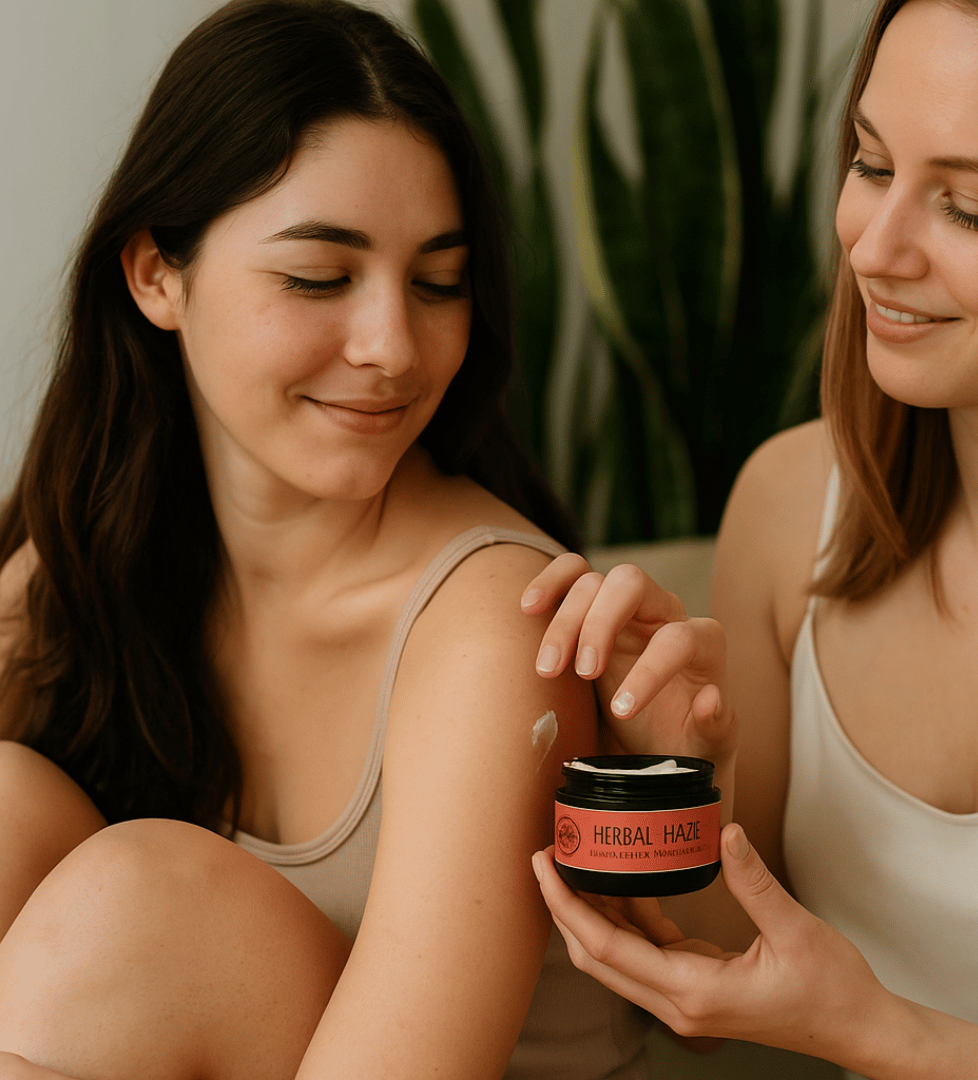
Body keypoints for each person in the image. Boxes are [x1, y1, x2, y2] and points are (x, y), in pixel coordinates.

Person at [0, 2, 720, 1077]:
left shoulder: (493, 628)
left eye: (439, 283)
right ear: (157, 274)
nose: (392, 347)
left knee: (138, 903)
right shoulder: (102, 552)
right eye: (320, 278)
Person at [524, 0, 978, 1076]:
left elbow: (837, 1015)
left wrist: (875, 1032)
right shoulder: (789, 508)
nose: (872, 248)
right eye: (870, 166)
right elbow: (755, 966)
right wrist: (688, 779)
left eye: (967, 209)